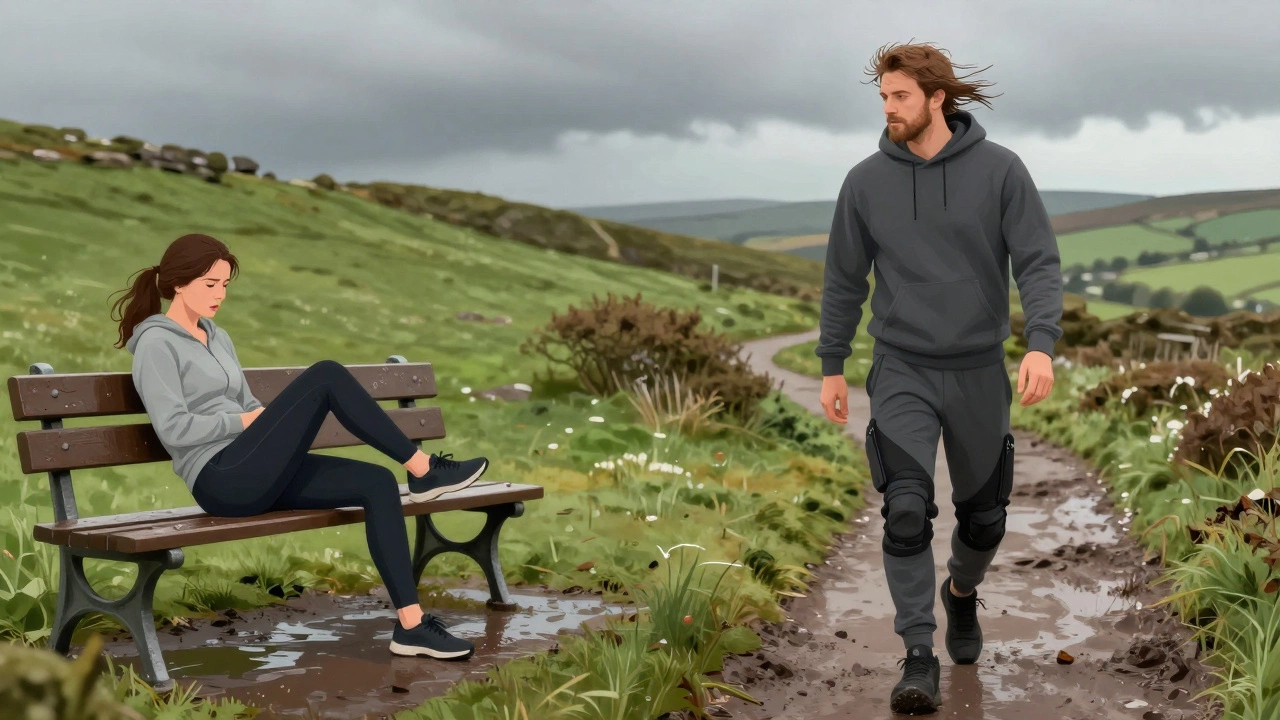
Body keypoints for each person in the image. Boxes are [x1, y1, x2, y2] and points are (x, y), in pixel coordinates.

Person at [816, 42, 1063, 714]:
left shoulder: (1002, 171)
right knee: (903, 511)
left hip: (980, 369)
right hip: (902, 368)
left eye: (900, 96)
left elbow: (1038, 262)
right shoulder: (865, 181)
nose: (889, 109)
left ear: (937, 98)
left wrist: (1040, 344)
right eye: (883, 98)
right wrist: (832, 364)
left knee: (983, 520)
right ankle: (918, 655)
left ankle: (960, 592)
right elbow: (843, 279)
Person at [111, 233, 491, 661]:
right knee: (327, 375)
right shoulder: (155, 344)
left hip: (254, 464)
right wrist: (245, 422)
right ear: (179, 284)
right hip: (220, 478)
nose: (219, 295)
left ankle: (411, 626)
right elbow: (173, 428)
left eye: (224, 285)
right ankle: (423, 469)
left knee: (378, 482)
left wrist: (261, 420)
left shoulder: (217, 336)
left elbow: (248, 403)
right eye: (209, 284)